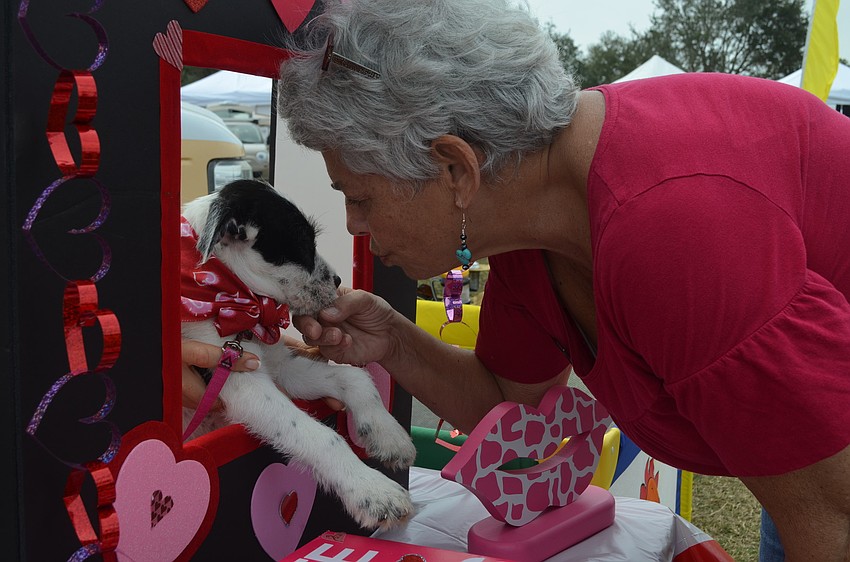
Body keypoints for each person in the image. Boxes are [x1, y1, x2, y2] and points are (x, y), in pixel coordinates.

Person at [286, 0, 850, 558]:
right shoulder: (532, 215)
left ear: (456, 169)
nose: (355, 227)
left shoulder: (669, 224)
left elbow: (835, 519)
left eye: (359, 198)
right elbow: (510, 407)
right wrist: (394, 339)